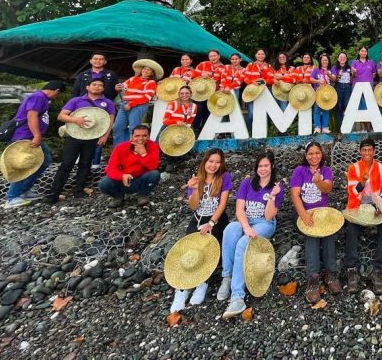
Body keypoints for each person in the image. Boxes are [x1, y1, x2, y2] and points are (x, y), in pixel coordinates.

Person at [218, 150, 284, 317]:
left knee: (243, 243)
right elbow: (240, 210)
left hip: (265, 223)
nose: (262, 169)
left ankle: (237, 297)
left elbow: (269, 216)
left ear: (272, 166)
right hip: (247, 221)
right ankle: (227, 277)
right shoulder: (247, 183)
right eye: (260, 166)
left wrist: (272, 196)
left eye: (266, 165)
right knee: (230, 230)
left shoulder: (277, 187)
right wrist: (246, 227)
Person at [171, 149, 232, 312]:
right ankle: (182, 289)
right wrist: (195, 189)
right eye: (211, 161)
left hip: (216, 218)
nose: (213, 165)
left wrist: (211, 223)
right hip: (198, 217)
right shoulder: (197, 179)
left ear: (221, 164)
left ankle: (202, 282)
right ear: (205, 162)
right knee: (189, 249)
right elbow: (193, 206)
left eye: (217, 162)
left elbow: (222, 204)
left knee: (208, 247)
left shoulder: (224, 177)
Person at [46, 79, 116, 204]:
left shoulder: (108, 103)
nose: (97, 87)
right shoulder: (76, 100)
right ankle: (54, 193)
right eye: (94, 84)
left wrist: (105, 136)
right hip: (73, 136)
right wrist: (75, 120)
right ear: (88, 87)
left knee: (85, 163)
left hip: (93, 136)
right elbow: (61, 116)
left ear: (103, 89)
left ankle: (79, 190)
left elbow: (110, 121)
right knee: (67, 163)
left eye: (100, 85)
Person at [289, 142, 342, 303]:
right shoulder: (300, 171)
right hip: (304, 213)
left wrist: (318, 181)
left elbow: (327, 189)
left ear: (321, 154)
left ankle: (331, 273)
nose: (314, 156)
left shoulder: (326, 171)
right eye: (310, 153)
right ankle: (312, 278)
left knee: (328, 234)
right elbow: (295, 194)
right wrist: (304, 214)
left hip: (323, 213)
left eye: (317, 153)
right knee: (311, 235)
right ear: (306, 156)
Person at [4, 81, 66, 209]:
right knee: (24, 165)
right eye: (58, 94)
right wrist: (37, 135)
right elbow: (31, 115)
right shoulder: (38, 97)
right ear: (57, 91)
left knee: (44, 161)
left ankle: (24, 191)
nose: (57, 97)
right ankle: (12, 197)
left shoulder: (42, 98)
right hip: (25, 136)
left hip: (32, 136)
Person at [344, 139, 382, 294]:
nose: (367, 153)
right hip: (358, 206)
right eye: (364, 150)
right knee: (351, 229)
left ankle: (378, 271)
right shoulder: (354, 168)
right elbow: (353, 191)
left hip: (375, 205)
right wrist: (362, 182)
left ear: (374, 151)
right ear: (360, 152)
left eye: (370, 150)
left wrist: (380, 205)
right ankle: (352, 270)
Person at [98, 125, 160, 208]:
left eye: (144, 136)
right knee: (104, 184)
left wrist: (143, 153)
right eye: (137, 136)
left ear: (148, 137)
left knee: (154, 174)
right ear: (131, 137)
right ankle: (118, 197)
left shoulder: (153, 146)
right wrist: (122, 175)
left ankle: (143, 195)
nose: (141, 138)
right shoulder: (121, 147)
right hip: (124, 180)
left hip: (141, 179)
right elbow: (111, 168)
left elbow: (153, 167)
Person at [112, 62, 159, 145]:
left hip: (139, 106)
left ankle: (132, 151)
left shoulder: (151, 82)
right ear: (141, 70)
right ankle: (118, 150)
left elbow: (146, 98)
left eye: (149, 70)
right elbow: (122, 87)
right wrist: (118, 87)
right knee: (117, 127)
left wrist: (131, 104)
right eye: (145, 68)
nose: (146, 71)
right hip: (125, 104)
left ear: (152, 73)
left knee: (133, 129)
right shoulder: (133, 78)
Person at [193, 49, 225, 132]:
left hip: (214, 93)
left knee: (209, 110)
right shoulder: (203, 64)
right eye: (210, 56)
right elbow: (193, 74)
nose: (213, 57)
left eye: (214, 55)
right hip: (201, 92)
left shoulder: (223, 68)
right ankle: (195, 128)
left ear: (219, 56)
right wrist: (201, 74)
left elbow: (224, 80)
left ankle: (204, 130)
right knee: (199, 108)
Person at [243, 49, 274, 128]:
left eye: (262, 54)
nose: (260, 56)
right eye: (259, 54)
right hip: (252, 92)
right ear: (255, 55)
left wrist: (261, 82)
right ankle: (246, 131)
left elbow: (271, 79)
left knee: (265, 113)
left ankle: (265, 131)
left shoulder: (268, 66)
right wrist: (252, 82)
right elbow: (245, 78)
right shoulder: (251, 65)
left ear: (265, 56)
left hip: (264, 92)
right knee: (251, 113)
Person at [351, 47, 375, 131]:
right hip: (357, 87)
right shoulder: (354, 62)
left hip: (369, 87)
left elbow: (373, 74)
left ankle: (370, 127)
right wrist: (354, 72)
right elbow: (353, 75)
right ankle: (363, 127)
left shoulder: (371, 62)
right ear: (359, 52)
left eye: (365, 51)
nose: (364, 52)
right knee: (361, 107)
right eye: (362, 51)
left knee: (369, 107)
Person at [330, 52, 353, 129]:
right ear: (338, 59)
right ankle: (341, 127)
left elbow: (352, 78)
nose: (342, 58)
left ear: (346, 59)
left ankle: (348, 126)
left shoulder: (349, 67)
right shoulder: (334, 68)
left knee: (347, 105)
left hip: (347, 87)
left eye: (344, 57)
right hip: (338, 87)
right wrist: (339, 75)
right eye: (341, 57)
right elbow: (334, 80)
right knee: (339, 107)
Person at [311, 54, 333, 134]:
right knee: (316, 110)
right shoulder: (316, 70)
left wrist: (328, 74)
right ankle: (317, 127)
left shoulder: (331, 70)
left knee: (326, 110)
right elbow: (311, 79)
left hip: (327, 94)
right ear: (320, 61)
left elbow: (334, 78)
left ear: (328, 61)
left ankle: (325, 127)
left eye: (326, 60)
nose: (325, 61)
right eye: (323, 60)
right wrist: (318, 81)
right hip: (318, 93)